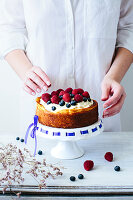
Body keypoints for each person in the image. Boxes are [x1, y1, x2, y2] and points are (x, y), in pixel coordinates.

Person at [0, 0, 133, 132]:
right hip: (42, 115)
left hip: (101, 110)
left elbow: (129, 27)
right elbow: (9, 29)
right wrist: (25, 71)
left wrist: (114, 76)